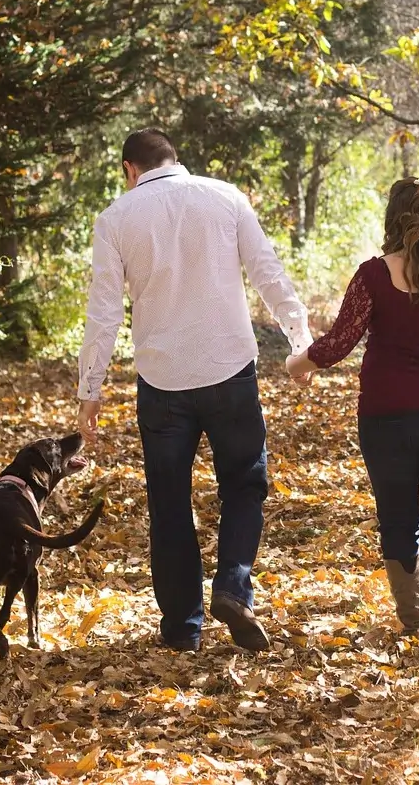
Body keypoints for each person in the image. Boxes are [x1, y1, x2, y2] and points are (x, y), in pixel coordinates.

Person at [77, 128, 312, 652]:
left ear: (128, 168)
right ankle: (232, 584)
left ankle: (183, 629)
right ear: (175, 159)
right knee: (245, 485)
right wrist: (301, 342)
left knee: (169, 503)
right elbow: (267, 273)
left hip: (162, 384)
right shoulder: (225, 197)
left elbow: (104, 312)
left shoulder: (115, 219)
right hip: (229, 370)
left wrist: (89, 388)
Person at [285, 177, 419, 651]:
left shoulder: (374, 275)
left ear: (394, 218)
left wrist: (297, 363)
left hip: (388, 416)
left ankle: (413, 620)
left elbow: (340, 342)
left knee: (398, 519)